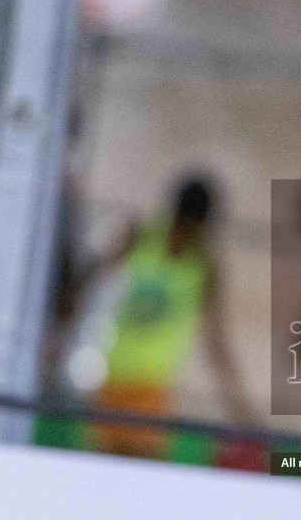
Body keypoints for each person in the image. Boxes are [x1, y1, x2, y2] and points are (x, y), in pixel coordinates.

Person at [70, 173, 256, 458]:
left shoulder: (202, 265)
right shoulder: (144, 238)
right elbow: (92, 279)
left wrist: (238, 406)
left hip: (152, 387)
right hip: (115, 377)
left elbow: (216, 343)